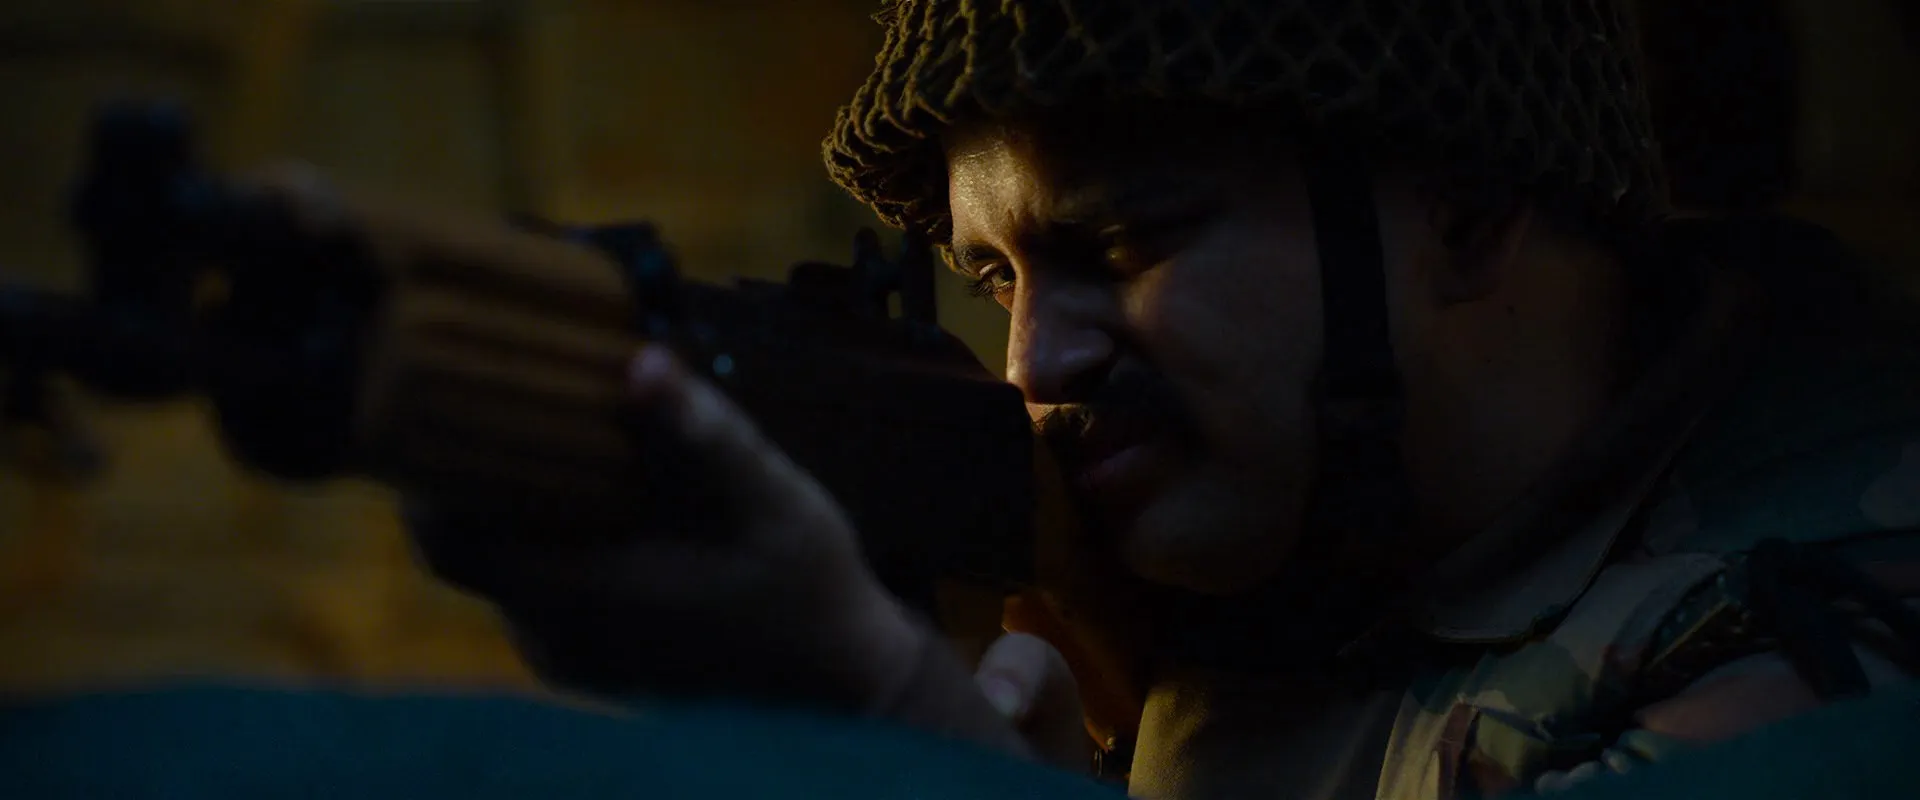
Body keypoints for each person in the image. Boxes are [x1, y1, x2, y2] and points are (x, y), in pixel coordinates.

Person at [404, 1, 1920, 798]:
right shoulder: (1247, 544)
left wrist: (914, 732)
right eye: (996, 276)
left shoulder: (1828, 645)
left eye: (1126, 245)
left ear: (1464, 215)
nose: (1034, 366)